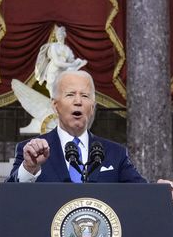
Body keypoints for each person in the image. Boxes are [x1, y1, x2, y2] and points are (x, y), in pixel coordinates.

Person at [8, 70, 149, 184]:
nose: (78, 101)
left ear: (92, 107)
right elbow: (6, 199)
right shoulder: (31, 152)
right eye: (70, 94)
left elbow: (141, 193)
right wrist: (29, 168)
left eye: (85, 96)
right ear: (55, 105)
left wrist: (160, 190)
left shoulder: (115, 153)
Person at [34, 25, 87, 95]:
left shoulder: (67, 49)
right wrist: (73, 64)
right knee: (54, 96)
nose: (59, 36)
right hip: (53, 72)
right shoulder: (54, 46)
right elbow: (57, 62)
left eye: (60, 34)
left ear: (64, 35)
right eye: (57, 34)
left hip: (63, 72)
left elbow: (72, 62)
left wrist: (79, 62)